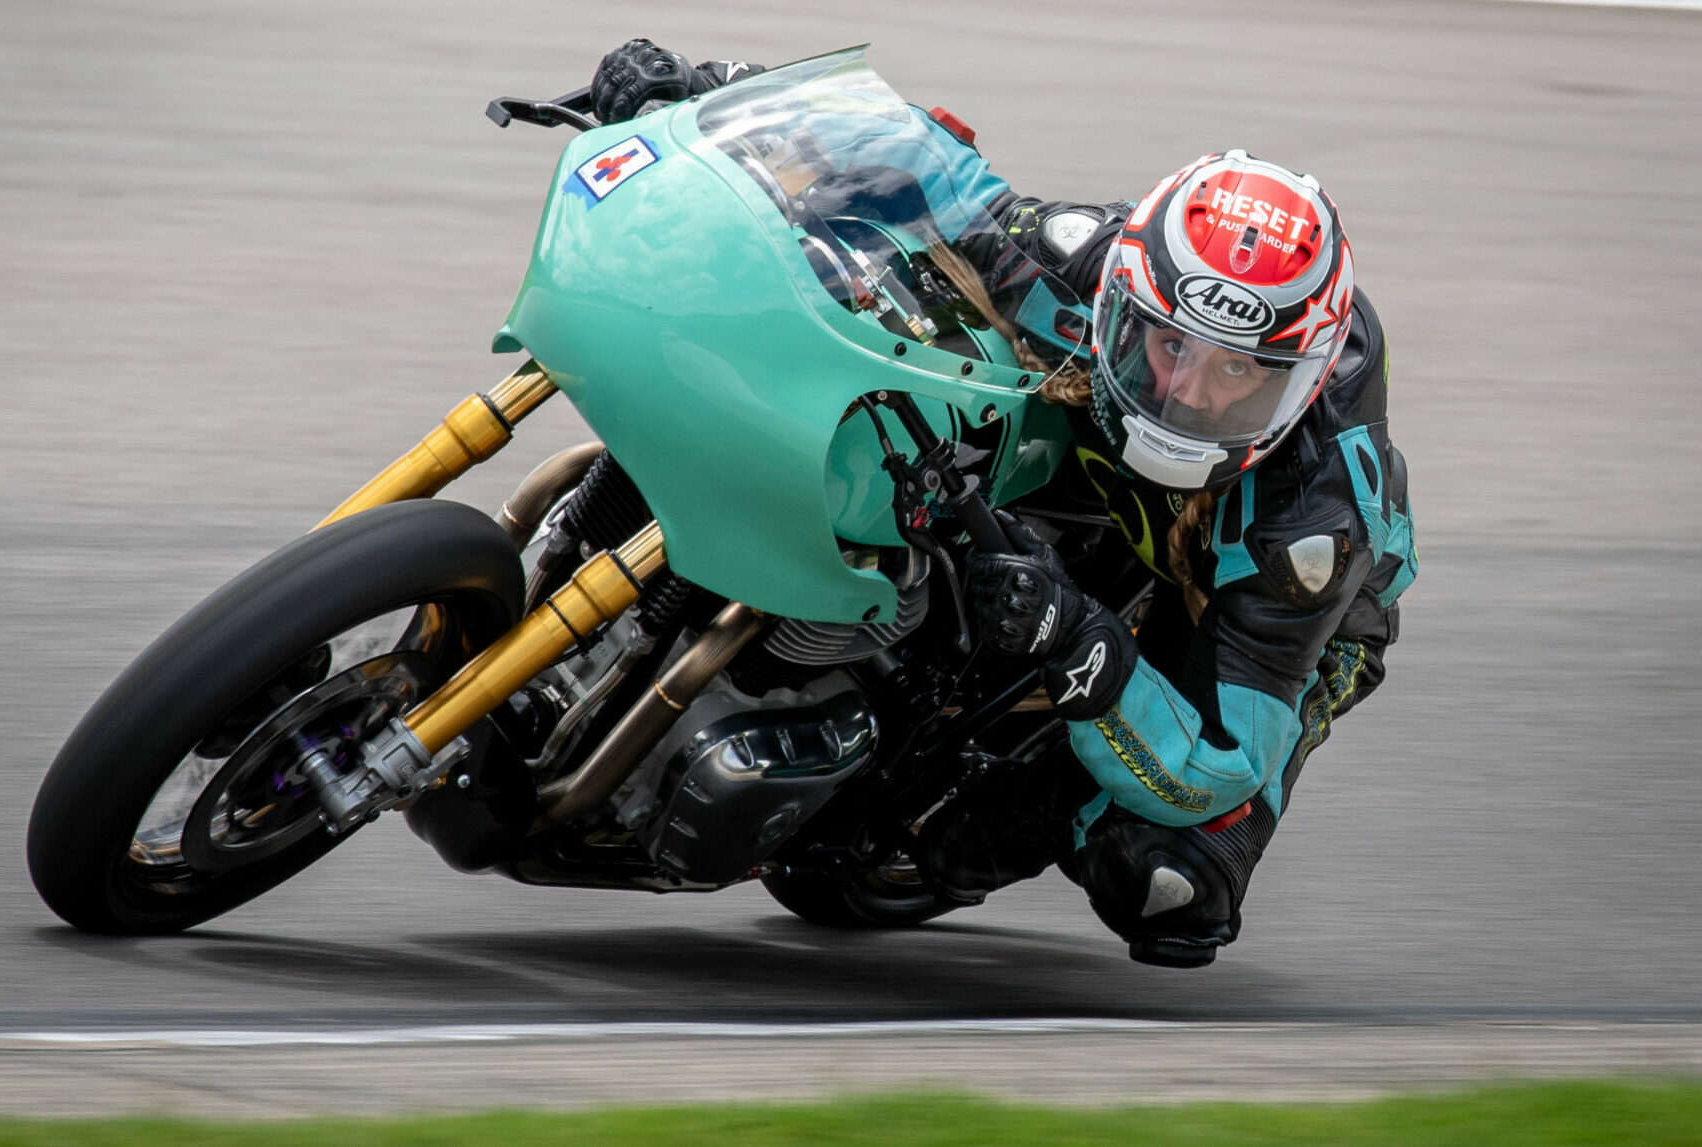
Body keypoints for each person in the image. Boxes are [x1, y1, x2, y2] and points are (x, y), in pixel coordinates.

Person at [587, 41, 1417, 967]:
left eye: (1242, 376)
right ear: (1124, 295)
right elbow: (931, 178)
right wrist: (707, 98)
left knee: (1165, 873)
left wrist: (1075, 638)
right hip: (1096, 460)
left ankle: (957, 831)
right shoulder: (1089, 262)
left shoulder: (1312, 520)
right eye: (1168, 345)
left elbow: (1215, 761)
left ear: (1299, 382)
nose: (1192, 393)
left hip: (1247, 601)